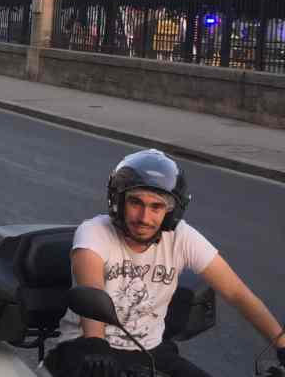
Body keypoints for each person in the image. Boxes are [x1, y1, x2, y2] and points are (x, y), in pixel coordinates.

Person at [45, 149, 285, 377]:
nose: (144, 218)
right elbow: (92, 291)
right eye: (135, 202)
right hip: (86, 350)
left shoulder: (181, 237)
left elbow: (236, 293)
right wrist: (96, 343)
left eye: (156, 206)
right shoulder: (94, 232)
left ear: (171, 212)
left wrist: (282, 344)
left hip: (149, 351)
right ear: (118, 201)